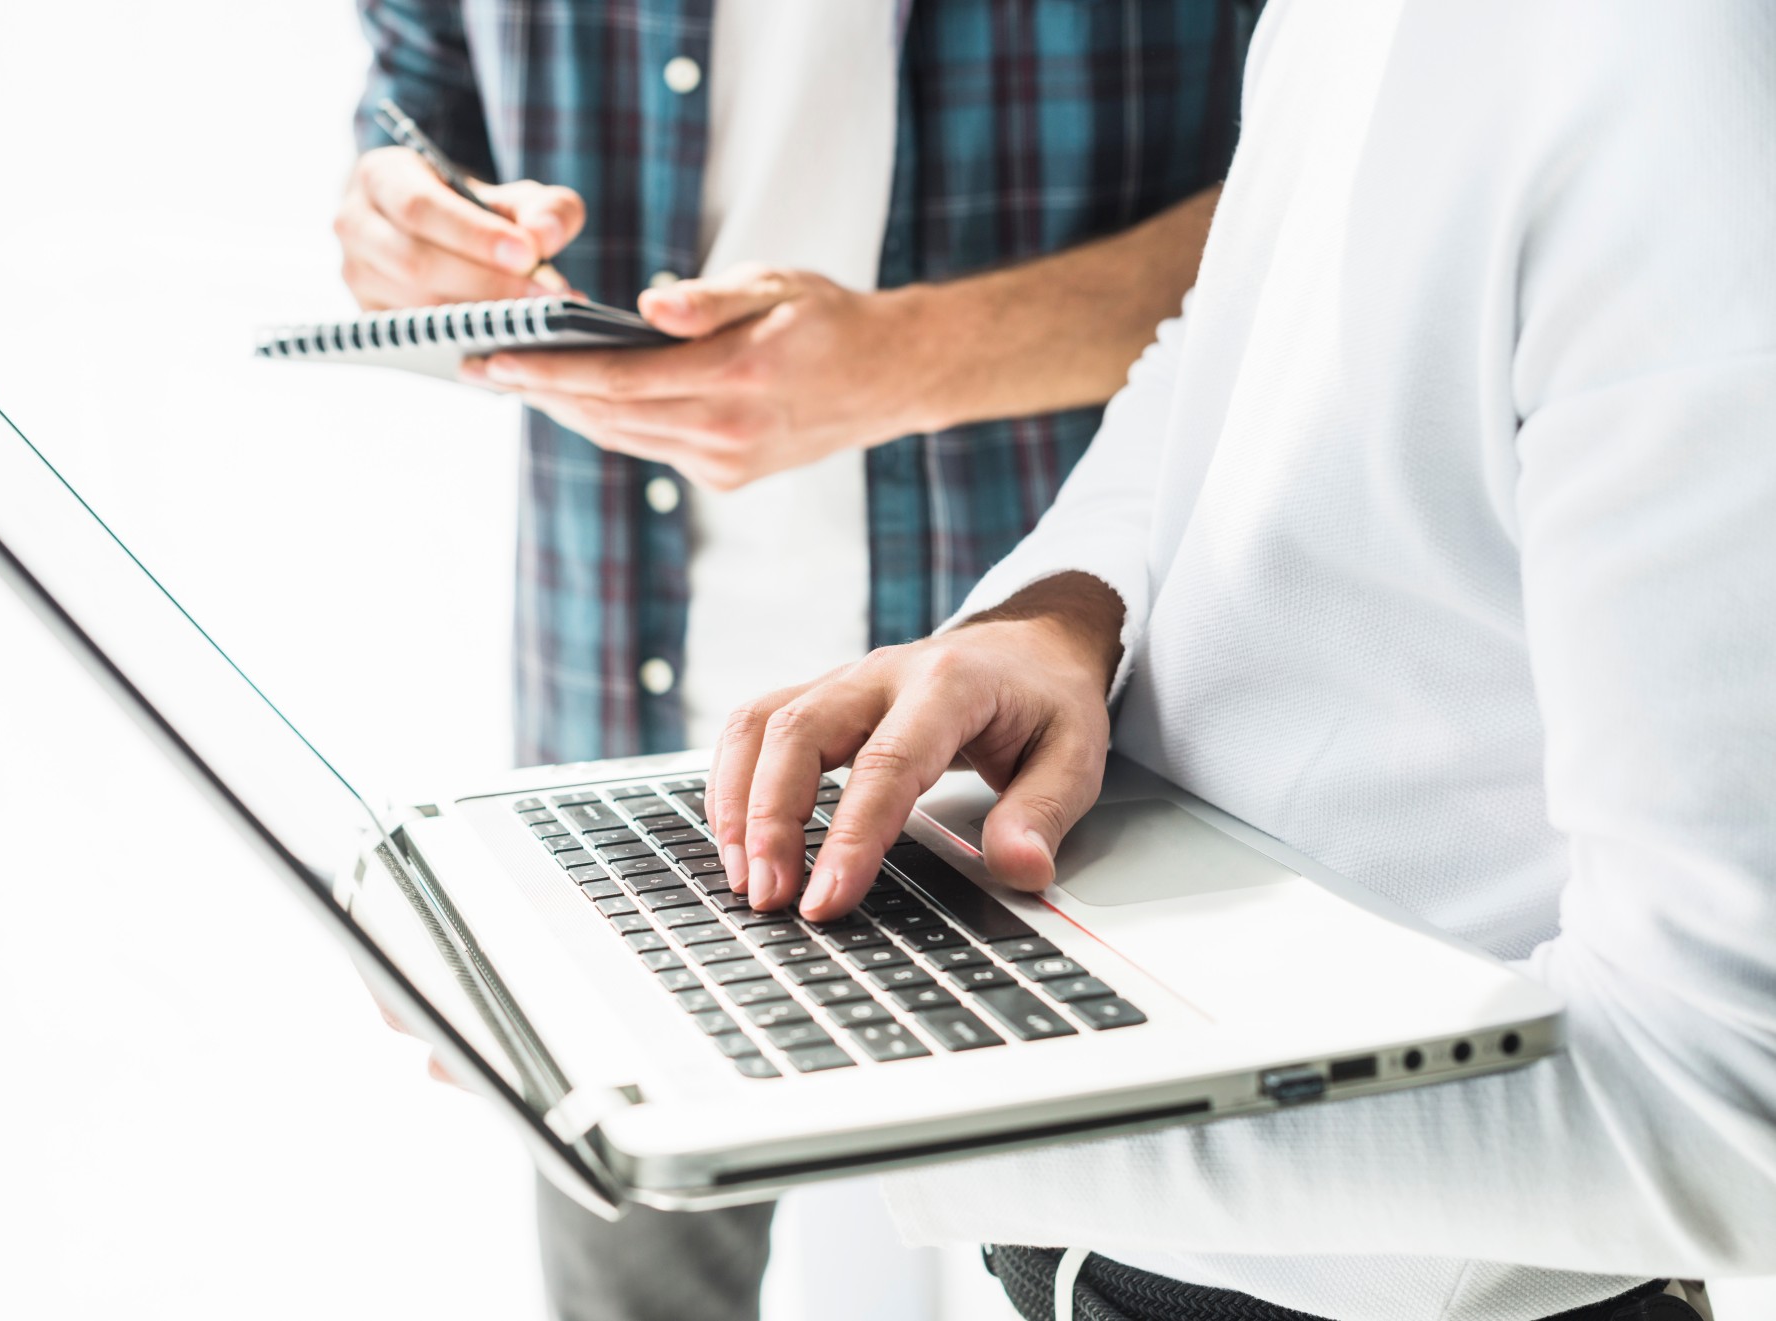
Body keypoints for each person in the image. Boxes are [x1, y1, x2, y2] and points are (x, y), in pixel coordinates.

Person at [704, 1, 1776, 1317]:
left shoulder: (1682, 72)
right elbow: (1225, 331)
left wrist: (907, 1105)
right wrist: (1057, 614)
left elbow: (1729, 1104)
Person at [339, 2, 1255, 1317]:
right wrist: (401, 228)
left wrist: (915, 359)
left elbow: (1333, 199)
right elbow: (411, 108)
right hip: (614, 743)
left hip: (1057, 761)